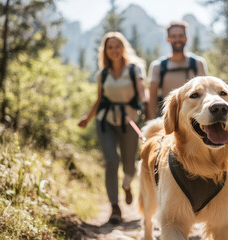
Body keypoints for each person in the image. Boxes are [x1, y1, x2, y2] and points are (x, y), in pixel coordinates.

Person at [78, 32, 147, 224]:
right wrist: (88, 118)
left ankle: (126, 185)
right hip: (106, 121)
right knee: (111, 160)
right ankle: (115, 207)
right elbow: (99, 99)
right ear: (106, 51)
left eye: (117, 46)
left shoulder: (135, 69)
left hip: (129, 121)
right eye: (110, 47)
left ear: (123, 48)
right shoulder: (103, 74)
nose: (114, 50)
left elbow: (142, 91)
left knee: (130, 167)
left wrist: (147, 105)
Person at [147, 21, 209, 119]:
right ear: (168, 39)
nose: (177, 39)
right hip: (169, 117)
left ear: (186, 38)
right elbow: (152, 99)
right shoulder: (158, 66)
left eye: (180, 35)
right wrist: (151, 122)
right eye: (173, 36)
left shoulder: (198, 63)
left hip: (195, 117)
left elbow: (206, 91)